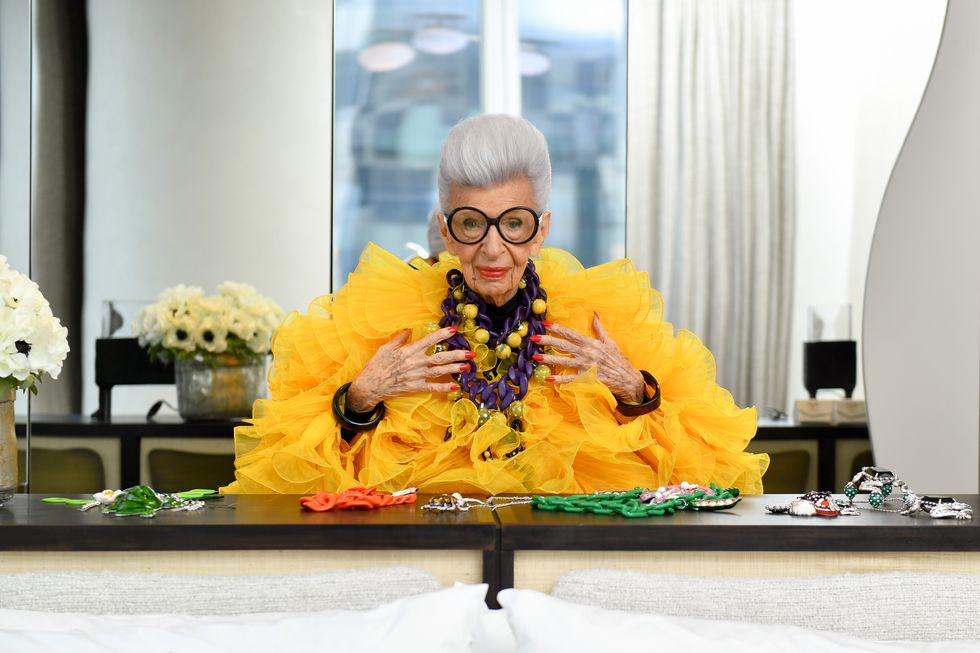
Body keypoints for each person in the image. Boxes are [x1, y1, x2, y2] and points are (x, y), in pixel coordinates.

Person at [222, 115, 768, 495]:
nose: (491, 248)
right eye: (470, 224)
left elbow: (708, 468)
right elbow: (285, 463)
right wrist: (362, 397)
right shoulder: (379, 319)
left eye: (513, 224)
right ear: (446, 229)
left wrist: (633, 389)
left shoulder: (601, 318)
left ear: (541, 230)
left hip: (561, 553)